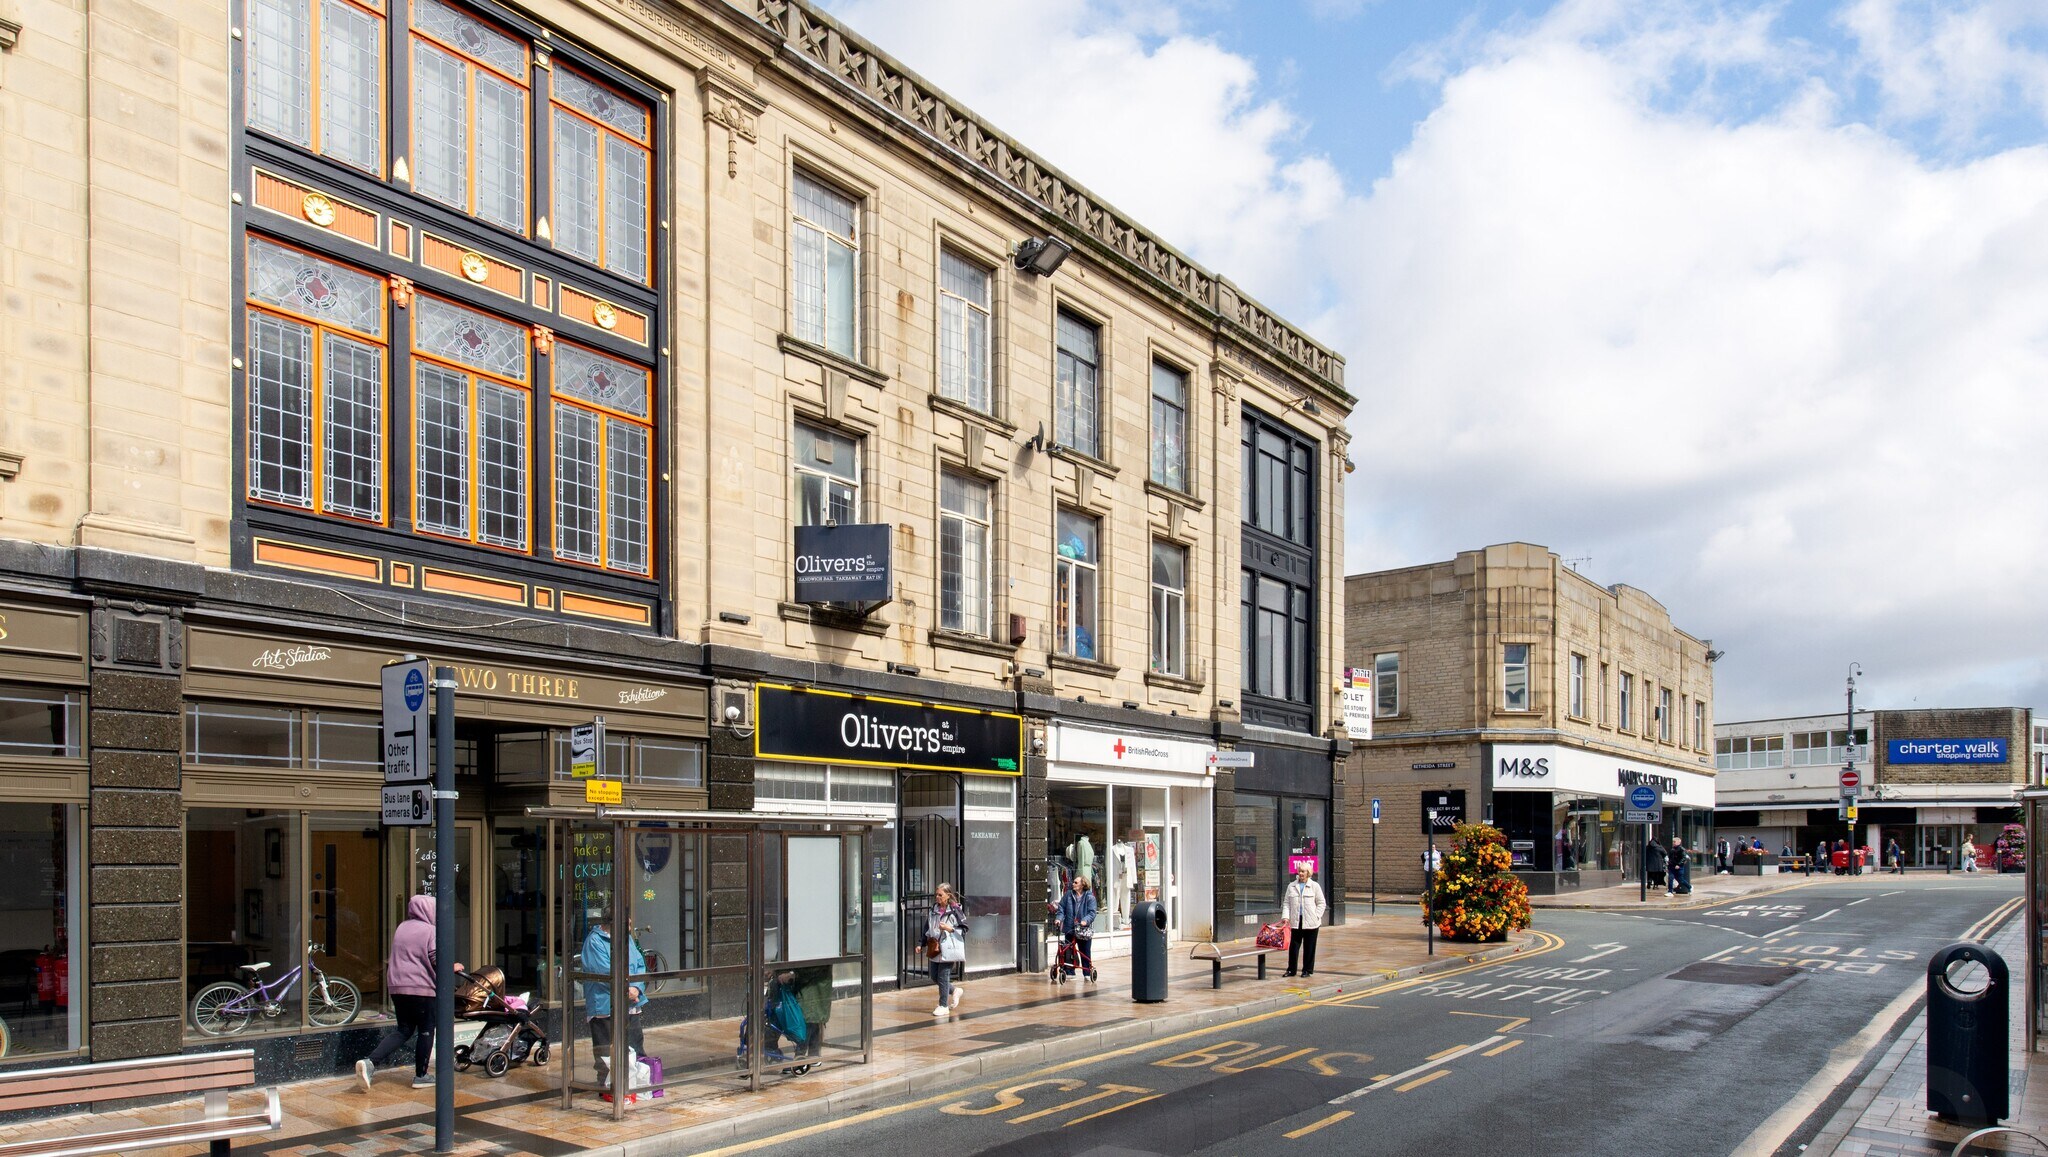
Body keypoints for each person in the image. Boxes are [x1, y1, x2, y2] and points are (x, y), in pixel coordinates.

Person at [356, 895, 461, 1091]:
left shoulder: (402, 928)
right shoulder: (430, 930)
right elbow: (436, 958)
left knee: (404, 1030)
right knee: (426, 1030)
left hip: (397, 987)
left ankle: (370, 1062)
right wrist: (452, 966)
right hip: (421, 989)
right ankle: (421, 1076)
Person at [581, 913, 647, 1087]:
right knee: (606, 1051)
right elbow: (603, 971)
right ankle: (607, 1087)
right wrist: (627, 989)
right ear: (613, 923)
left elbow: (640, 964)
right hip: (605, 1005)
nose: (630, 928)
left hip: (630, 1003)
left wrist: (637, 987)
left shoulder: (627, 938)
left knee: (635, 1044)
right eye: (627, 924)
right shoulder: (594, 941)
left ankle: (633, 1085)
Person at [927, 882, 971, 1014]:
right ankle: (955, 990)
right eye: (936, 894)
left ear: (948, 895)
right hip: (936, 947)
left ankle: (943, 1006)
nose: (937, 897)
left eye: (940, 895)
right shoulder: (933, 909)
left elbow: (965, 928)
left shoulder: (955, 910)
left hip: (949, 947)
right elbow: (927, 926)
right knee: (934, 976)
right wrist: (920, 943)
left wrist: (949, 928)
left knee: (943, 976)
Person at [1282, 863, 1327, 978]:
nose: (1301, 873)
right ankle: (1291, 970)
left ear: (1308, 873)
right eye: (1299, 871)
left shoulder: (1315, 886)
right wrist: (1286, 917)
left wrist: (1316, 916)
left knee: (1309, 947)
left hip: (1311, 922)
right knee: (1294, 946)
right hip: (1296, 920)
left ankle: (1307, 970)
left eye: (1303, 871)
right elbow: (1286, 903)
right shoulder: (1291, 886)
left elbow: (1321, 903)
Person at [1053, 875, 1097, 984]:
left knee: (1084, 951)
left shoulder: (1089, 897)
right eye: (1073, 882)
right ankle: (1070, 972)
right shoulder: (1068, 895)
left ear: (1083, 884)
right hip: (1070, 927)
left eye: (1076, 882)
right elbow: (1061, 908)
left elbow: (1092, 912)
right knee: (1068, 951)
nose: (1073, 884)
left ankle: (1087, 973)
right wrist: (1059, 919)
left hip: (1083, 929)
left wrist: (1085, 920)